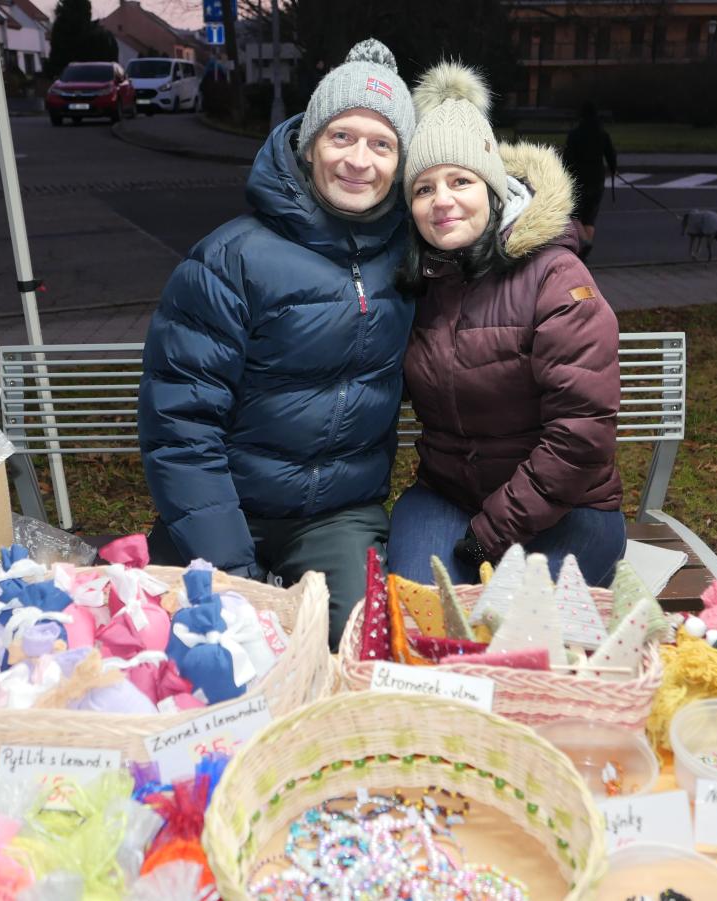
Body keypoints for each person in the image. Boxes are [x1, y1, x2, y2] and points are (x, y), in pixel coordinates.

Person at [138, 39, 416, 648]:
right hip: (224, 505)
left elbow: (484, 222)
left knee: (357, 650)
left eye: (382, 144)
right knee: (192, 650)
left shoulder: (413, 258)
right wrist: (234, 574)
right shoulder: (230, 259)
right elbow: (181, 426)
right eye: (341, 137)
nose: (359, 161)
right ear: (309, 143)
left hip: (339, 517)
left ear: (401, 163)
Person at [386, 63, 625, 587]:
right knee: (422, 611)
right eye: (423, 188)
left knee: (520, 623)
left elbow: (581, 436)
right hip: (448, 496)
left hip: (571, 507)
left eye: (460, 181)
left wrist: (488, 535)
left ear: (494, 190)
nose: (442, 200)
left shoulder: (556, 277)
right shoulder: (418, 283)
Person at [562, 101, 617, 260]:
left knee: (574, 214)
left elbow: (567, 158)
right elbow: (611, 155)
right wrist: (613, 169)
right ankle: (585, 250)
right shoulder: (602, 134)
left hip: (579, 179)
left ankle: (585, 242)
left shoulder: (574, 134)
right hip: (597, 178)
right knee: (590, 218)